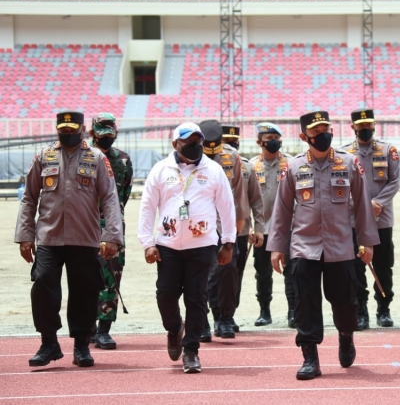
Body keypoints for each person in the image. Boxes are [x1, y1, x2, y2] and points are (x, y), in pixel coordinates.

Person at [267, 110, 379, 380]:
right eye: (316, 132)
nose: (323, 135)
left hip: (340, 246)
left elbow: (363, 205)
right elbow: (282, 210)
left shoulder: (348, 162)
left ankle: (345, 335)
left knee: (345, 301)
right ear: (305, 136)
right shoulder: (292, 167)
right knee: (305, 303)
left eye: (326, 129)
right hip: (304, 247)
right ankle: (310, 358)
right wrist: (277, 247)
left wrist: (367, 242)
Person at [15, 110, 123, 368]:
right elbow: (29, 197)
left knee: (84, 292)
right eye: (63, 130)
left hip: (85, 239)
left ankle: (82, 345)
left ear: (83, 129)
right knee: (42, 286)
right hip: (49, 238)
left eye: (72, 130)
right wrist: (25, 235)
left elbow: (110, 198)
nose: (67, 134)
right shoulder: (44, 155)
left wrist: (111, 236)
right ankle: (48, 343)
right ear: (57, 130)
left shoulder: (96, 157)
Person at [138, 122, 237, 374]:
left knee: (196, 298)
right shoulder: (160, 170)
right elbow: (148, 207)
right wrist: (147, 243)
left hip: (202, 245)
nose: (194, 146)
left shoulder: (213, 170)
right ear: (175, 144)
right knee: (166, 294)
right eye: (188, 141)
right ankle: (174, 329)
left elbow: (227, 207)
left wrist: (228, 242)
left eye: (197, 141)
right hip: (167, 245)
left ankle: (191, 350)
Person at [341, 108, 400, 329]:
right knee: (356, 267)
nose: (365, 129)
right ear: (353, 127)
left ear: (374, 125)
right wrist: (362, 207)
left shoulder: (388, 150)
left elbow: (394, 181)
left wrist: (378, 204)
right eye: (361, 125)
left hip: (381, 219)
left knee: (383, 266)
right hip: (354, 220)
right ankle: (361, 311)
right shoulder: (344, 154)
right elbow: (340, 186)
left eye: (369, 125)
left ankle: (383, 309)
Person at [88, 113, 133, 350]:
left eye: (109, 133)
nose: (106, 137)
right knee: (85, 278)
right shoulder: (82, 157)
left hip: (113, 227)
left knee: (111, 278)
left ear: (115, 132)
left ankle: (104, 329)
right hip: (85, 226)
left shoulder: (123, 161)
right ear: (92, 132)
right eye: (101, 133)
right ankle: (87, 328)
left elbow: (123, 195)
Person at [200, 121, 249, 340]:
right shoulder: (189, 155)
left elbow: (239, 193)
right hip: (198, 226)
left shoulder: (231, 156)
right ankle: (202, 319)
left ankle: (225, 318)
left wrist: (238, 225)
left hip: (226, 225)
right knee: (202, 274)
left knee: (228, 272)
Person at [250, 122, 296, 328]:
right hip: (262, 230)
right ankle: (264, 311)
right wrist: (251, 227)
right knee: (263, 272)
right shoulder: (251, 166)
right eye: (269, 140)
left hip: (288, 229)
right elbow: (246, 199)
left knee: (292, 272)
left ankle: (293, 312)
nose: (274, 143)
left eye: (277, 140)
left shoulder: (292, 164)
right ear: (260, 142)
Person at [222, 125, 266, 329]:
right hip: (213, 230)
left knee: (235, 274)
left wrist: (258, 226)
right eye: (226, 141)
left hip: (240, 230)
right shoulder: (208, 166)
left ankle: (229, 314)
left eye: (234, 141)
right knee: (214, 275)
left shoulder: (247, 167)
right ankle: (215, 315)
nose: (231, 146)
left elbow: (256, 200)